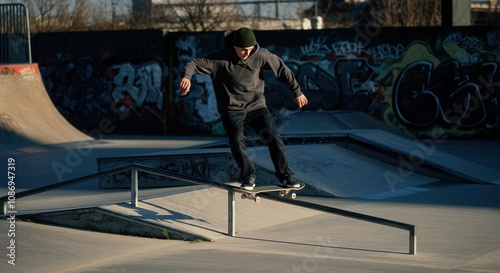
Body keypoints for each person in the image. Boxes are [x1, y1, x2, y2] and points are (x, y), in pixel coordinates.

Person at [179, 27, 308, 190]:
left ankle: (285, 176)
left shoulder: (261, 54)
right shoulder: (218, 59)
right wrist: (187, 77)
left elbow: (283, 70)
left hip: (257, 107)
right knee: (237, 140)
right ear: (234, 46)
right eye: (242, 51)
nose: (246, 54)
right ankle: (248, 176)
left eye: (249, 50)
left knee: (274, 137)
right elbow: (193, 63)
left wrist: (297, 92)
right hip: (231, 110)